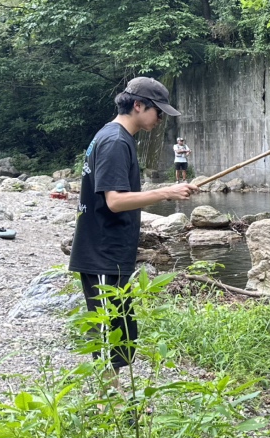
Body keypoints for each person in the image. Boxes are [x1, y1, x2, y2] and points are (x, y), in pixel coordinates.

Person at [68, 77, 197, 377]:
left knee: (122, 330)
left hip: (110, 252)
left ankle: (118, 401)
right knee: (107, 333)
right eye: (158, 111)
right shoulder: (115, 140)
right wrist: (167, 192)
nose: (161, 118)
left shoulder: (115, 136)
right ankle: (109, 404)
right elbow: (114, 201)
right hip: (102, 253)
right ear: (138, 105)